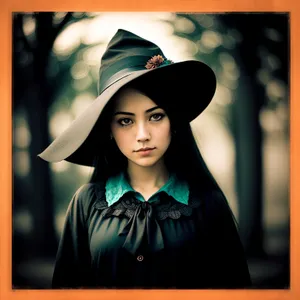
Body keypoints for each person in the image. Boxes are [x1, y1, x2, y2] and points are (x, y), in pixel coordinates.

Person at [38, 29, 251, 289]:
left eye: (155, 116)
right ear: (110, 131)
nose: (142, 135)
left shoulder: (208, 203)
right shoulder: (86, 203)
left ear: (174, 122)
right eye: (125, 121)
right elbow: (65, 289)